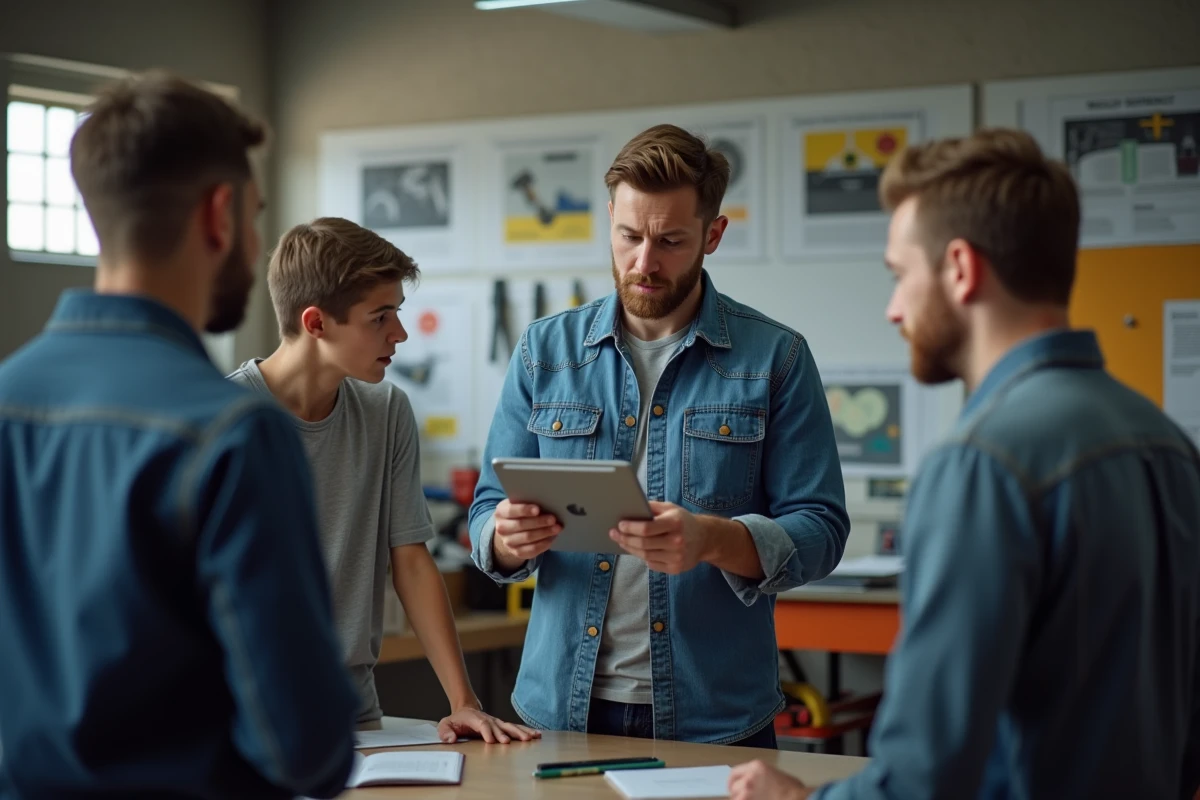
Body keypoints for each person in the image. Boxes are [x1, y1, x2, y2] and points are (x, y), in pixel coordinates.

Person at [728, 128, 1200, 799]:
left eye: (899, 276)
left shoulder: (982, 463)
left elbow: (923, 773)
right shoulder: (1164, 441)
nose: (893, 309)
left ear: (959, 268)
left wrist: (798, 798)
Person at [0, 72, 358, 799]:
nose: (257, 245)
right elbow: (306, 751)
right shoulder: (234, 433)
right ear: (220, 216)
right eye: (257, 217)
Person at [467, 124, 850, 745]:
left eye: (671, 240)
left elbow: (822, 528)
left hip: (716, 718)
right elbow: (486, 512)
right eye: (628, 236)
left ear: (712, 235)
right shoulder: (545, 351)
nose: (644, 263)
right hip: (559, 710)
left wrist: (716, 540)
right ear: (610, 218)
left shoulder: (775, 357)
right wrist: (506, 538)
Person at [227, 216, 538, 744]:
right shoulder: (226, 418)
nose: (400, 333)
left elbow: (412, 563)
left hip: (351, 711)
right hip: (242, 716)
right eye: (381, 317)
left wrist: (463, 703)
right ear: (316, 322)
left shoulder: (385, 409)